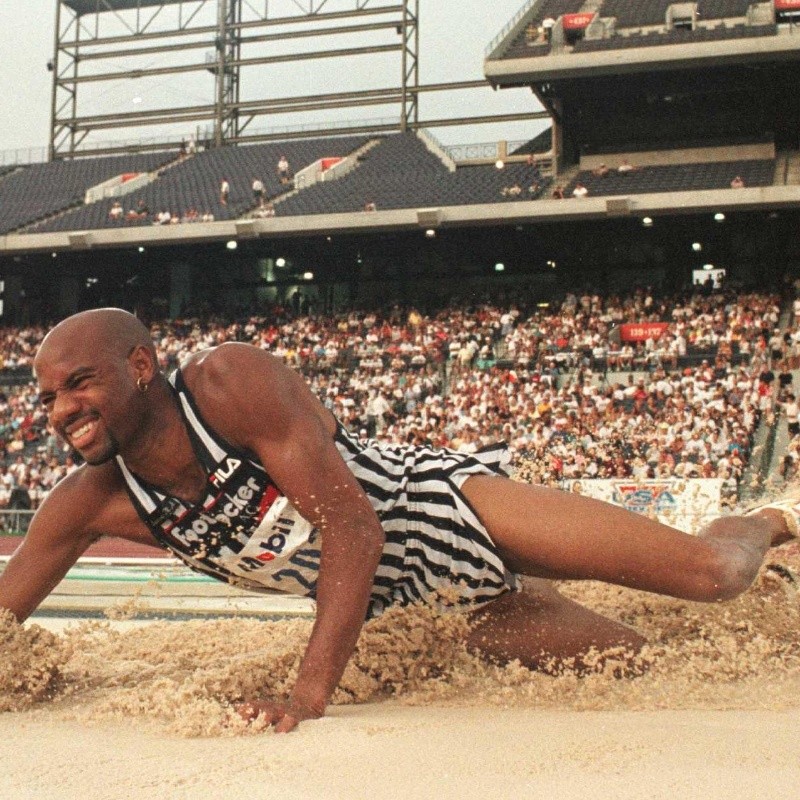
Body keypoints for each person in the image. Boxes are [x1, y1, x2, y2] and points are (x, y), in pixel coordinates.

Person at [0, 309, 796, 734]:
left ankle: (761, 518)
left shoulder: (226, 383)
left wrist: (309, 694)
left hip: (440, 511)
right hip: (412, 615)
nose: (63, 410)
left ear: (140, 367)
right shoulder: (91, 501)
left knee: (714, 576)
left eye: (80, 382)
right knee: (629, 658)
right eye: (47, 398)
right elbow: (4, 620)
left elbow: (356, 531)